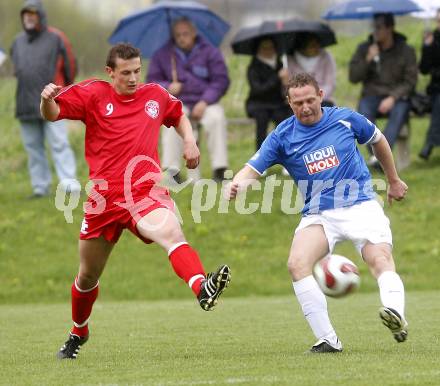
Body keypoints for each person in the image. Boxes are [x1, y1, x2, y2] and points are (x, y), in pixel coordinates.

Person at [40, 43, 231, 359]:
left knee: (171, 234)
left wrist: (190, 140)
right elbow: (53, 113)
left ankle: (201, 287)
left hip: (144, 191)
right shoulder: (93, 94)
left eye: (137, 71)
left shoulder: (154, 95)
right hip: (103, 200)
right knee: (87, 275)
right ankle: (78, 331)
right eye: (125, 72)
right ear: (110, 72)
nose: (132, 78)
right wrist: (46, 100)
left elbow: (177, 113)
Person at [225, 73, 408, 353]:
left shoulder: (345, 119)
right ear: (289, 102)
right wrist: (237, 183)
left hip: (360, 204)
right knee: (297, 264)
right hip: (319, 214)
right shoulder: (283, 136)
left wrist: (393, 180)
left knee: (379, 259)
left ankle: (395, 314)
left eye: (310, 100)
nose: (306, 107)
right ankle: (328, 340)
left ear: (321, 95)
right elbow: (253, 168)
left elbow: (378, 139)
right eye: (298, 102)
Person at [147, 17, 230, 182]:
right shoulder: (162, 54)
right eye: (177, 35)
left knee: (216, 118)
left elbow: (221, 81)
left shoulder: (210, 52)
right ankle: (171, 171)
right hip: (177, 103)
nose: (181, 38)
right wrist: (168, 86)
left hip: (206, 103)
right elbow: (151, 82)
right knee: (170, 121)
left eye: (185, 34)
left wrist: (205, 101)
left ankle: (220, 169)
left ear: (194, 33)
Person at [10, 0, 78, 198]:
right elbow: (18, 69)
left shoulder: (56, 37)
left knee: (59, 144)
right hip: (25, 102)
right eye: (25, 14)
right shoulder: (17, 41)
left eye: (32, 13)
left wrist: (63, 93)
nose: (28, 17)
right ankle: (40, 187)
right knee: (33, 148)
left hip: (53, 102)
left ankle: (69, 186)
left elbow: (71, 66)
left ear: (40, 15)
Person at [349, 13, 417, 167]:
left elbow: (411, 81)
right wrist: (368, 59)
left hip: (398, 97)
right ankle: (378, 156)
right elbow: (353, 77)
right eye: (373, 27)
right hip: (371, 95)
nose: (375, 31)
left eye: (379, 27)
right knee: (363, 114)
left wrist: (393, 97)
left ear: (390, 28)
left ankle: (380, 157)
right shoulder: (364, 48)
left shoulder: (406, 50)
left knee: (400, 111)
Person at [245, 37, 291, 151]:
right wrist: (277, 78)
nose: (268, 50)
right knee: (262, 121)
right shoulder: (253, 67)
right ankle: (260, 159)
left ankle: (286, 157)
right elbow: (258, 90)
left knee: (285, 123)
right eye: (264, 47)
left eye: (271, 47)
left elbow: (283, 90)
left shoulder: (281, 64)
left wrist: (286, 85)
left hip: (277, 104)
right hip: (258, 104)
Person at [287, 32, 336, 107]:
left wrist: (316, 97)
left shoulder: (326, 57)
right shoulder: (289, 60)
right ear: (302, 47)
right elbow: (288, 87)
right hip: (299, 99)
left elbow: (330, 84)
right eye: (312, 45)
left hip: (323, 98)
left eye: (317, 44)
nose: (316, 48)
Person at [419, 9, 440, 160]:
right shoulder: (433, 40)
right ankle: (430, 143)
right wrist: (427, 47)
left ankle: (430, 143)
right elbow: (424, 70)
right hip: (436, 89)